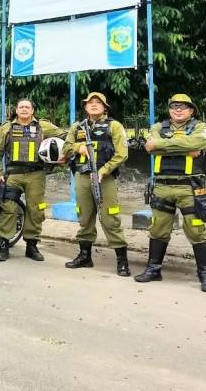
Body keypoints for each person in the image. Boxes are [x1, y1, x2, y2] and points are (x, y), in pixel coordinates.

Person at [137, 94, 206, 292]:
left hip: (190, 188)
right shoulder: (158, 127)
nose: (178, 109)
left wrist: (162, 145)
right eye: (174, 106)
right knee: (158, 229)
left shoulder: (201, 127)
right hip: (163, 186)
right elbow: (150, 147)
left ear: (191, 110)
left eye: (184, 106)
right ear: (169, 109)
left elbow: (197, 143)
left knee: (196, 230)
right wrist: (184, 144)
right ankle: (153, 270)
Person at [62, 92, 130, 276]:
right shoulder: (77, 127)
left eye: (97, 102)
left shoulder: (114, 126)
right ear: (85, 107)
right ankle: (85, 256)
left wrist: (104, 170)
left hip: (104, 178)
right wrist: (78, 147)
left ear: (105, 107)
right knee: (84, 218)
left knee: (110, 219)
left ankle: (122, 261)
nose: (93, 105)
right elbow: (66, 148)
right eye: (89, 103)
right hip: (82, 177)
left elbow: (122, 154)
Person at [0, 98, 66, 261]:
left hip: (36, 175)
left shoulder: (43, 126)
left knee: (35, 210)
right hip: (13, 175)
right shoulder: (7, 128)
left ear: (32, 111)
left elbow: (65, 138)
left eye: (27, 107)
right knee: (8, 208)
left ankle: (31, 246)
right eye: (21, 107)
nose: (24, 109)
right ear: (16, 110)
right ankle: (3, 245)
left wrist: (62, 157)